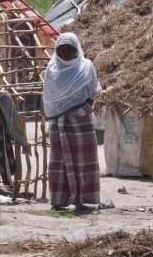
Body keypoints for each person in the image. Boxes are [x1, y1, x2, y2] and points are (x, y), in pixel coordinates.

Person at [43, 32, 100, 212]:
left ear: (77, 50)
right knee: (59, 162)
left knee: (83, 161)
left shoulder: (87, 67)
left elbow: (91, 92)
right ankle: (59, 200)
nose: (66, 53)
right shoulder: (51, 70)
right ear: (56, 51)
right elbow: (49, 98)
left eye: (70, 49)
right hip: (58, 122)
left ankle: (83, 199)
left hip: (81, 120)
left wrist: (78, 109)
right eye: (62, 49)